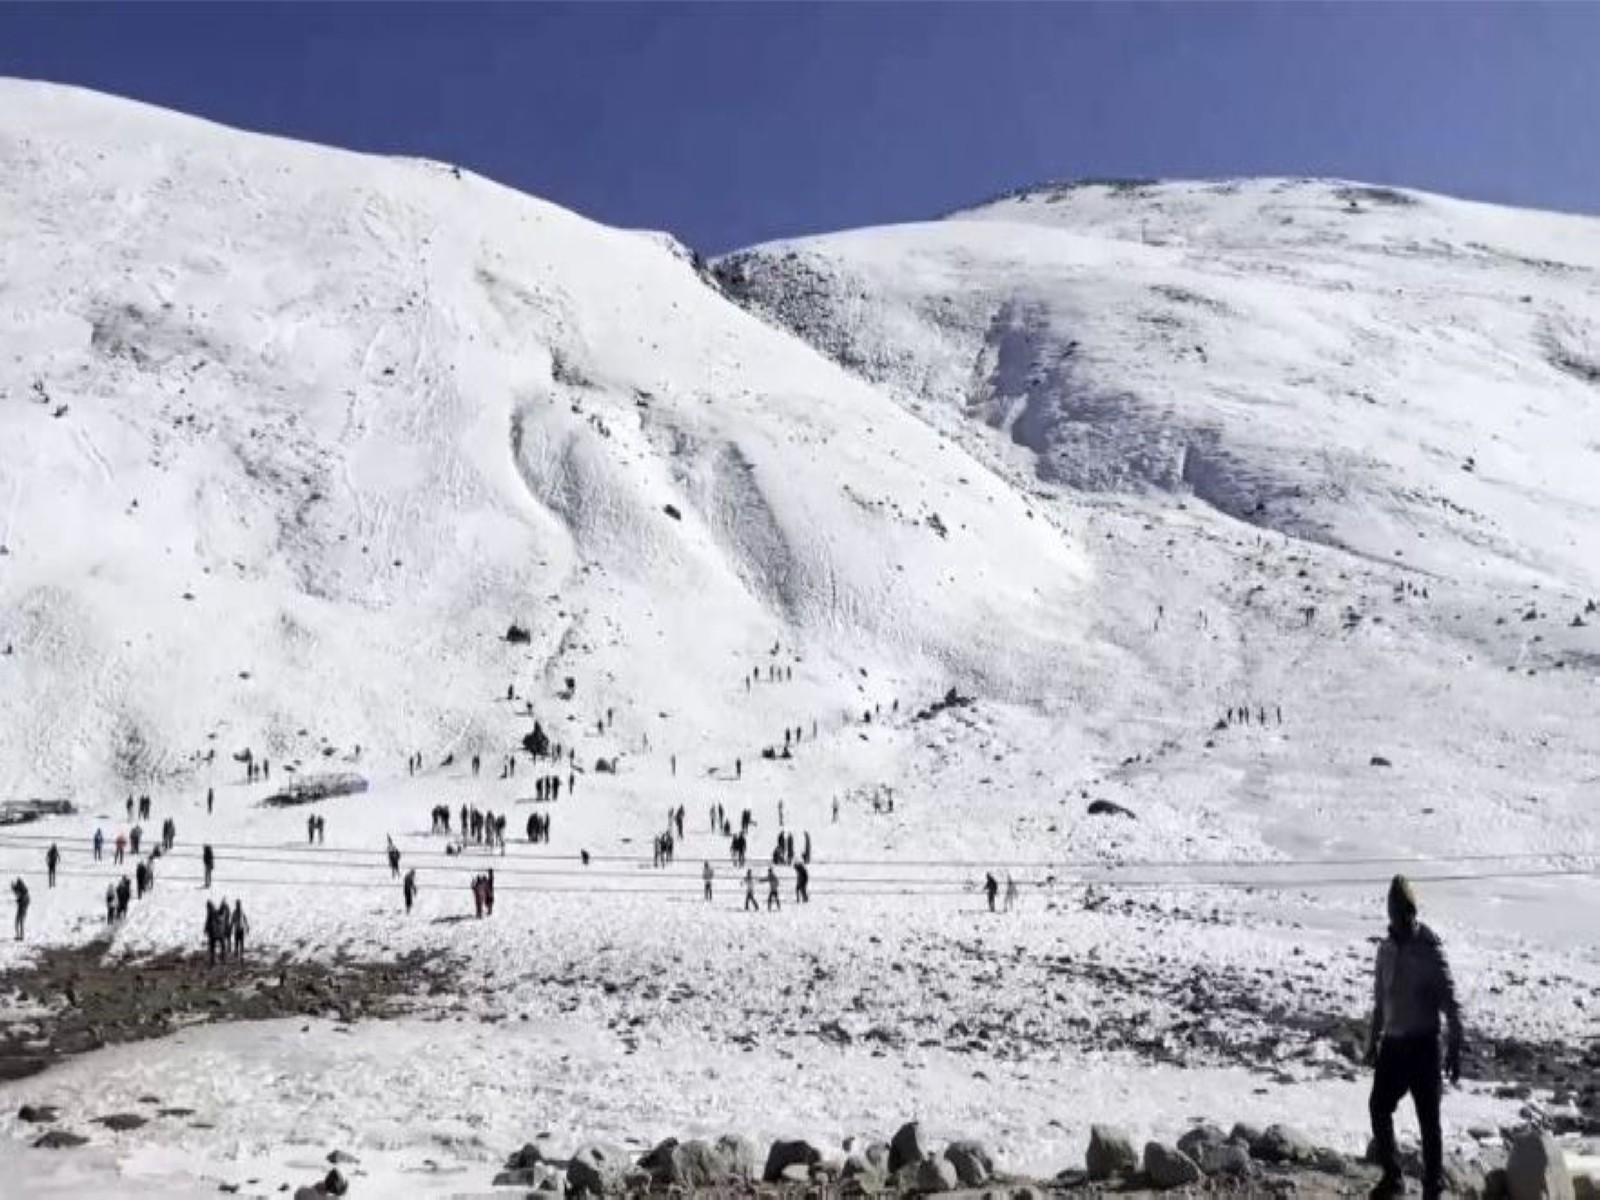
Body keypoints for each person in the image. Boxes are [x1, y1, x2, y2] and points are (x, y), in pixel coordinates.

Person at [1366, 875, 1464, 1200]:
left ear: (1413, 911)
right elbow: (1380, 1002)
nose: (1400, 917)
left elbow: (1451, 1002)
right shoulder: (1385, 950)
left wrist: (1455, 1048)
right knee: (1378, 1107)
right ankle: (1393, 1177)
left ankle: (1432, 1189)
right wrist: (1372, 1040)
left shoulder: (1429, 950)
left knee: (1429, 1122)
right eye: (1395, 910)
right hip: (1393, 1044)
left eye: (1405, 910)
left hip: (1424, 1046)